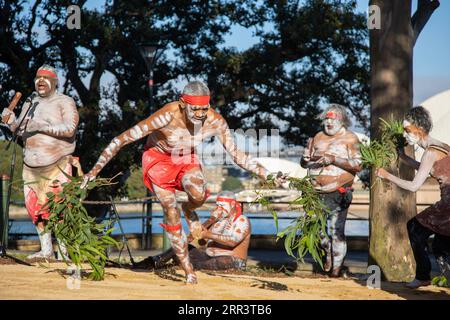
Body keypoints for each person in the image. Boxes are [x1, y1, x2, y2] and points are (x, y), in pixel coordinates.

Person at [82, 80, 275, 284]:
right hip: (158, 160)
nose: (201, 114)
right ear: (183, 103)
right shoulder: (166, 116)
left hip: (185, 158)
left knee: (199, 194)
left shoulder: (214, 121)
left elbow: (236, 154)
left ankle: (189, 208)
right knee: (170, 208)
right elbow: (120, 140)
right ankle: (187, 269)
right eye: (195, 109)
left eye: (204, 108)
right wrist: (93, 172)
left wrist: (267, 174)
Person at [1, 65, 80, 260]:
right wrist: (10, 122)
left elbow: (70, 129)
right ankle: (46, 250)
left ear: (55, 82)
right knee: (35, 208)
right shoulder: (30, 101)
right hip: (31, 166)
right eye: (38, 78)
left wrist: (42, 126)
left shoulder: (65, 101)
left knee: (60, 208)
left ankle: (63, 252)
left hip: (57, 164)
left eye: (45, 78)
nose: (41, 81)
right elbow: (20, 131)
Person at [376, 106, 450, 289]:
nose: (405, 134)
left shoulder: (430, 152)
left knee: (414, 227)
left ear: (419, 128)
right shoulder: (441, 146)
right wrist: (404, 158)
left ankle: (423, 275)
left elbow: (414, 186)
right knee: (441, 246)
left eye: (407, 130)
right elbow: (430, 169)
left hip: (448, 204)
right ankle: (430, 276)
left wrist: (386, 175)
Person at [300, 104, 362, 277]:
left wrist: (333, 159)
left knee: (336, 230)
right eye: (326, 118)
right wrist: (304, 160)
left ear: (341, 120)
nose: (328, 122)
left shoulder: (351, 138)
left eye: (331, 119)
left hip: (338, 190)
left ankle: (336, 270)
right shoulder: (317, 137)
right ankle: (327, 252)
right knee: (313, 227)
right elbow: (305, 162)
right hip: (314, 191)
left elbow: (359, 165)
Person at [135, 191, 251, 271]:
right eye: (217, 205)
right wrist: (209, 222)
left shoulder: (241, 220)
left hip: (232, 260)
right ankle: (155, 261)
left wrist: (208, 234)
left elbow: (232, 242)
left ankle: (188, 265)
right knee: (182, 249)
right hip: (209, 256)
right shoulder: (217, 221)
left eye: (222, 205)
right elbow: (201, 241)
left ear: (232, 204)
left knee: (219, 262)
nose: (218, 209)